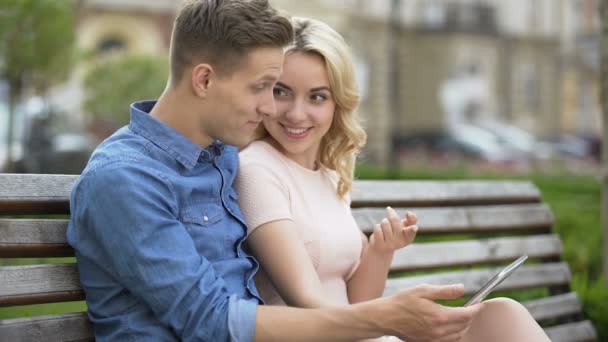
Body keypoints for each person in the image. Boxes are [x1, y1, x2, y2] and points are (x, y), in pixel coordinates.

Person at [68, 0, 484, 340]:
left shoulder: (220, 156)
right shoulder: (125, 180)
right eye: (262, 87)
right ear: (204, 80)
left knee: (496, 318)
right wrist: (384, 319)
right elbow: (211, 322)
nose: (272, 108)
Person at [235, 16, 551, 342]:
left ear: (337, 103)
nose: (297, 113)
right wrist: (397, 318)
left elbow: (359, 303)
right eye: (282, 92)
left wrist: (379, 252)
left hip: (363, 336)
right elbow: (309, 305)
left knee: (503, 314)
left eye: (317, 97)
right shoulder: (256, 170)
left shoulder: (329, 176)